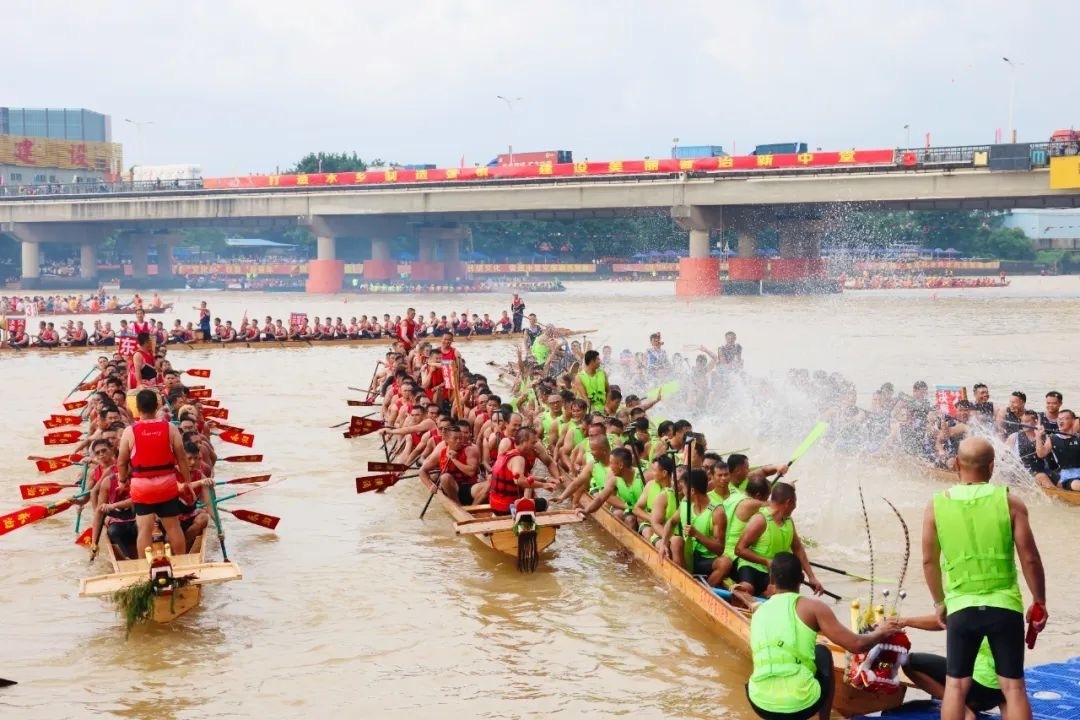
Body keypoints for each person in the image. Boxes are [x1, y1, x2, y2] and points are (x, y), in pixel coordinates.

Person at [921, 437, 1047, 720]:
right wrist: (1039, 600)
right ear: (992, 467)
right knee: (1013, 687)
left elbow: (929, 561)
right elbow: (1030, 558)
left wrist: (939, 602)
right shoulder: (1010, 502)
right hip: (1005, 605)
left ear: (956, 464)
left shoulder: (936, 505)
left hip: (961, 606)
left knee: (955, 685)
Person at [746, 552, 902, 720]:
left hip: (759, 702)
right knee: (823, 652)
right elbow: (857, 645)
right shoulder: (814, 608)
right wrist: (881, 632)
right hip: (799, 704)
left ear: (771, 580)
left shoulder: (759, 611)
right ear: (802, 578)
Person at [116, 389, 193, 557]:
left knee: (144, 529)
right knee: (173, 526)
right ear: (158, 406)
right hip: (167, 485)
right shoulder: (170, 428)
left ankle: (145, 567)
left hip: (142, 488)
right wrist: (187, 482)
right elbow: (182, 458)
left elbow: (121, 462)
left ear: (137, 407)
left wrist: (122, 481)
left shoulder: (129, 431)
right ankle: (181, 562)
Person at [573, 349, 608, 414]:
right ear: (592, 361)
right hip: (589, 410)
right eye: (598, 359)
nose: (600, 361)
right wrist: (593, 410)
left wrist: (607, 406)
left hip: (604, 409)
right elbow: (584, 396)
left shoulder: (603, 373)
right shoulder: (579, 377)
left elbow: (608, 391)